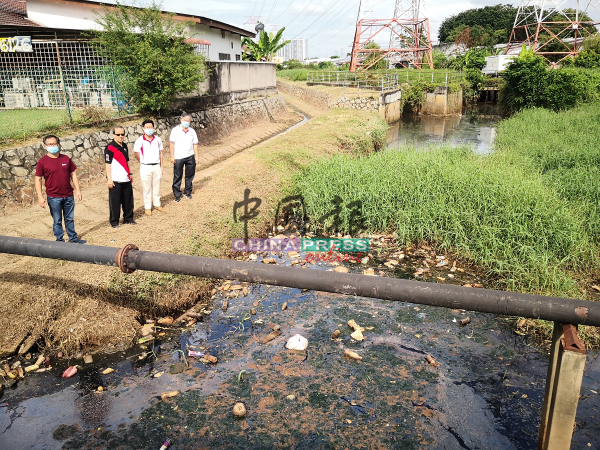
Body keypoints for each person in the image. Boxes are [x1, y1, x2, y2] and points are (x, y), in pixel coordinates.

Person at [34, 135, 87, 244]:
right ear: (45, 146)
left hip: (68, 195)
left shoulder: (66, 159)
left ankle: (73, 238)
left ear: (59, 144)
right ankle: (60, 241)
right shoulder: (42, 162)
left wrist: (78, 190)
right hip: (53, 197)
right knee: (57, 220)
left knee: (69, 219)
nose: (52, 146)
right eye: (50, 144)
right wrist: (40, 196)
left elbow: (73, 175)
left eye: (54, 144)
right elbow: (38, 179)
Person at [105, 126, 136, 227]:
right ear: (114, 135)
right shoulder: (110, 147)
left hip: (126, 178)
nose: (120, 136)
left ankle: (128, 218)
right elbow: (108, 164)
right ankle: (114, 221)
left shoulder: (125, 146)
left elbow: (127, 162)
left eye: (122, 134)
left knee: (128, 200)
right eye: (118, 134)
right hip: (115, 179)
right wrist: (109, 178)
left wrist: (130, 173)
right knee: (115, 202)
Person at [134, 119, 164, 216]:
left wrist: (161, 166)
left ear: (153, 128)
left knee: (157, 187)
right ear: (143, 128)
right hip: (145, 167)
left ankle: (157, 204)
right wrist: (142, 162)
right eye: (147, 127)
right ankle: (147, 207)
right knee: (146, 188)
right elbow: (136, 153)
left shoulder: (158, 139)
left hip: (156, 166)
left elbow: (161, 153)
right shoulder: (140, 140)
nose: (149, 129)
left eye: (150, 127)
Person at [170, 112, 199, 201]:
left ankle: (187, 192)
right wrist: (172, 156)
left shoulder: (192, 131)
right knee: (177, 175)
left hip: (190, 156)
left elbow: (195, 145)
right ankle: (177, 195)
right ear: (181, 120)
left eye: (188, 121)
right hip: (178, 157)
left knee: (190, 175)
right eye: (185, 120)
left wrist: (196, 157)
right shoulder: (175, 130)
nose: (186, 122)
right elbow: (171, 144)